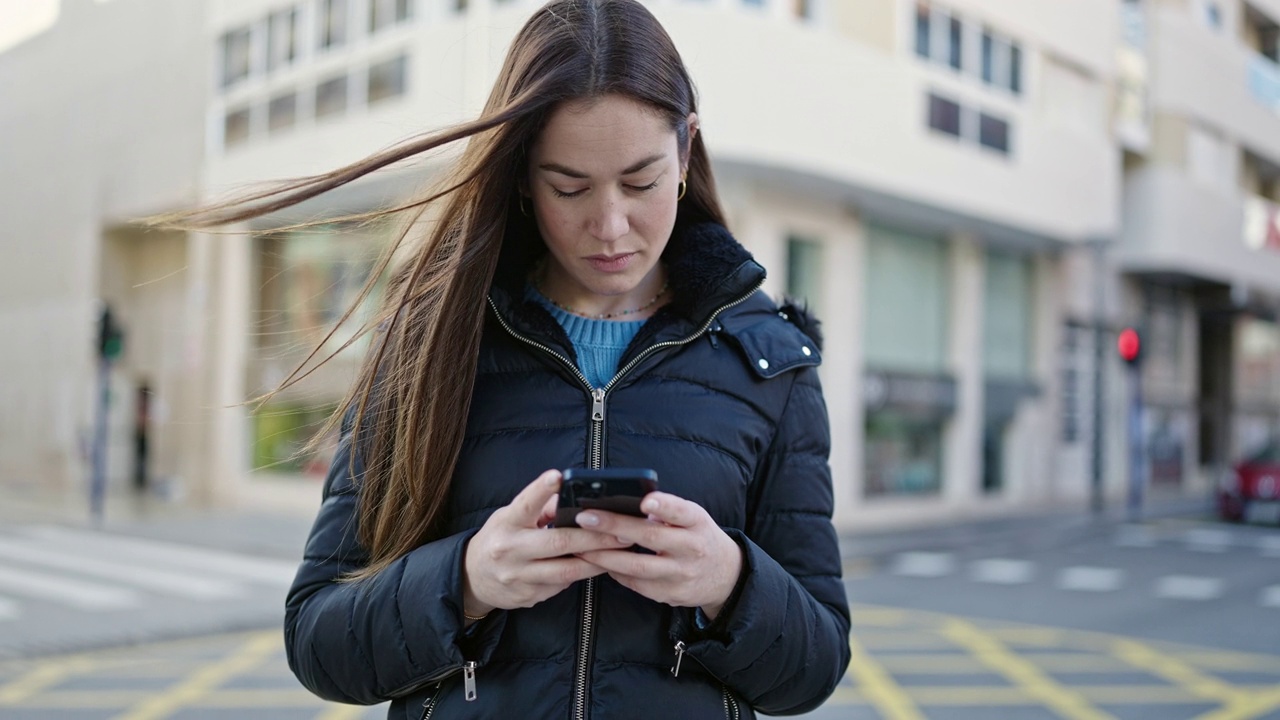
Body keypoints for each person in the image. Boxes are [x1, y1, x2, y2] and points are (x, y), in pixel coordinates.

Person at [177, 1, 850, 716]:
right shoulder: (429, 342)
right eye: (570, 187)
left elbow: (815, 666)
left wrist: (730, 582)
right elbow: (318, 642)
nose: (611, 225)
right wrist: (465, 580)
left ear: (686, 150)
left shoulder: (770, 362)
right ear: (524, 175)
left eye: (642, 181)